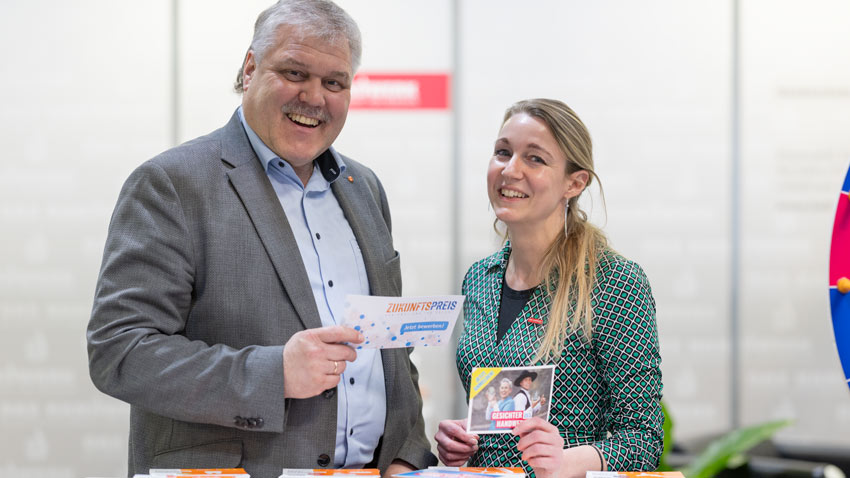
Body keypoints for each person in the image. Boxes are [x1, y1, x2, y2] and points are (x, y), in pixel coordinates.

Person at [86, 1, 436, 477]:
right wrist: (274, 375)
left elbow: (390, 346)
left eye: (334, 83)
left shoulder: (365, 188)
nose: (314, 97)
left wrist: (407, 451)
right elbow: (119, 351)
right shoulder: (172, 184)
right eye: (295, 73)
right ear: (250, 68)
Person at [434, 99, 662, 478]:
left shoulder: (612, 281)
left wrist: (563, 462)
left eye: (535, 159)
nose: (510, 170)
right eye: (503, 152)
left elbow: (643, 439)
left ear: (574, 183)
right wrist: (464, 439)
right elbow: (501, 413)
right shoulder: (480, 278)